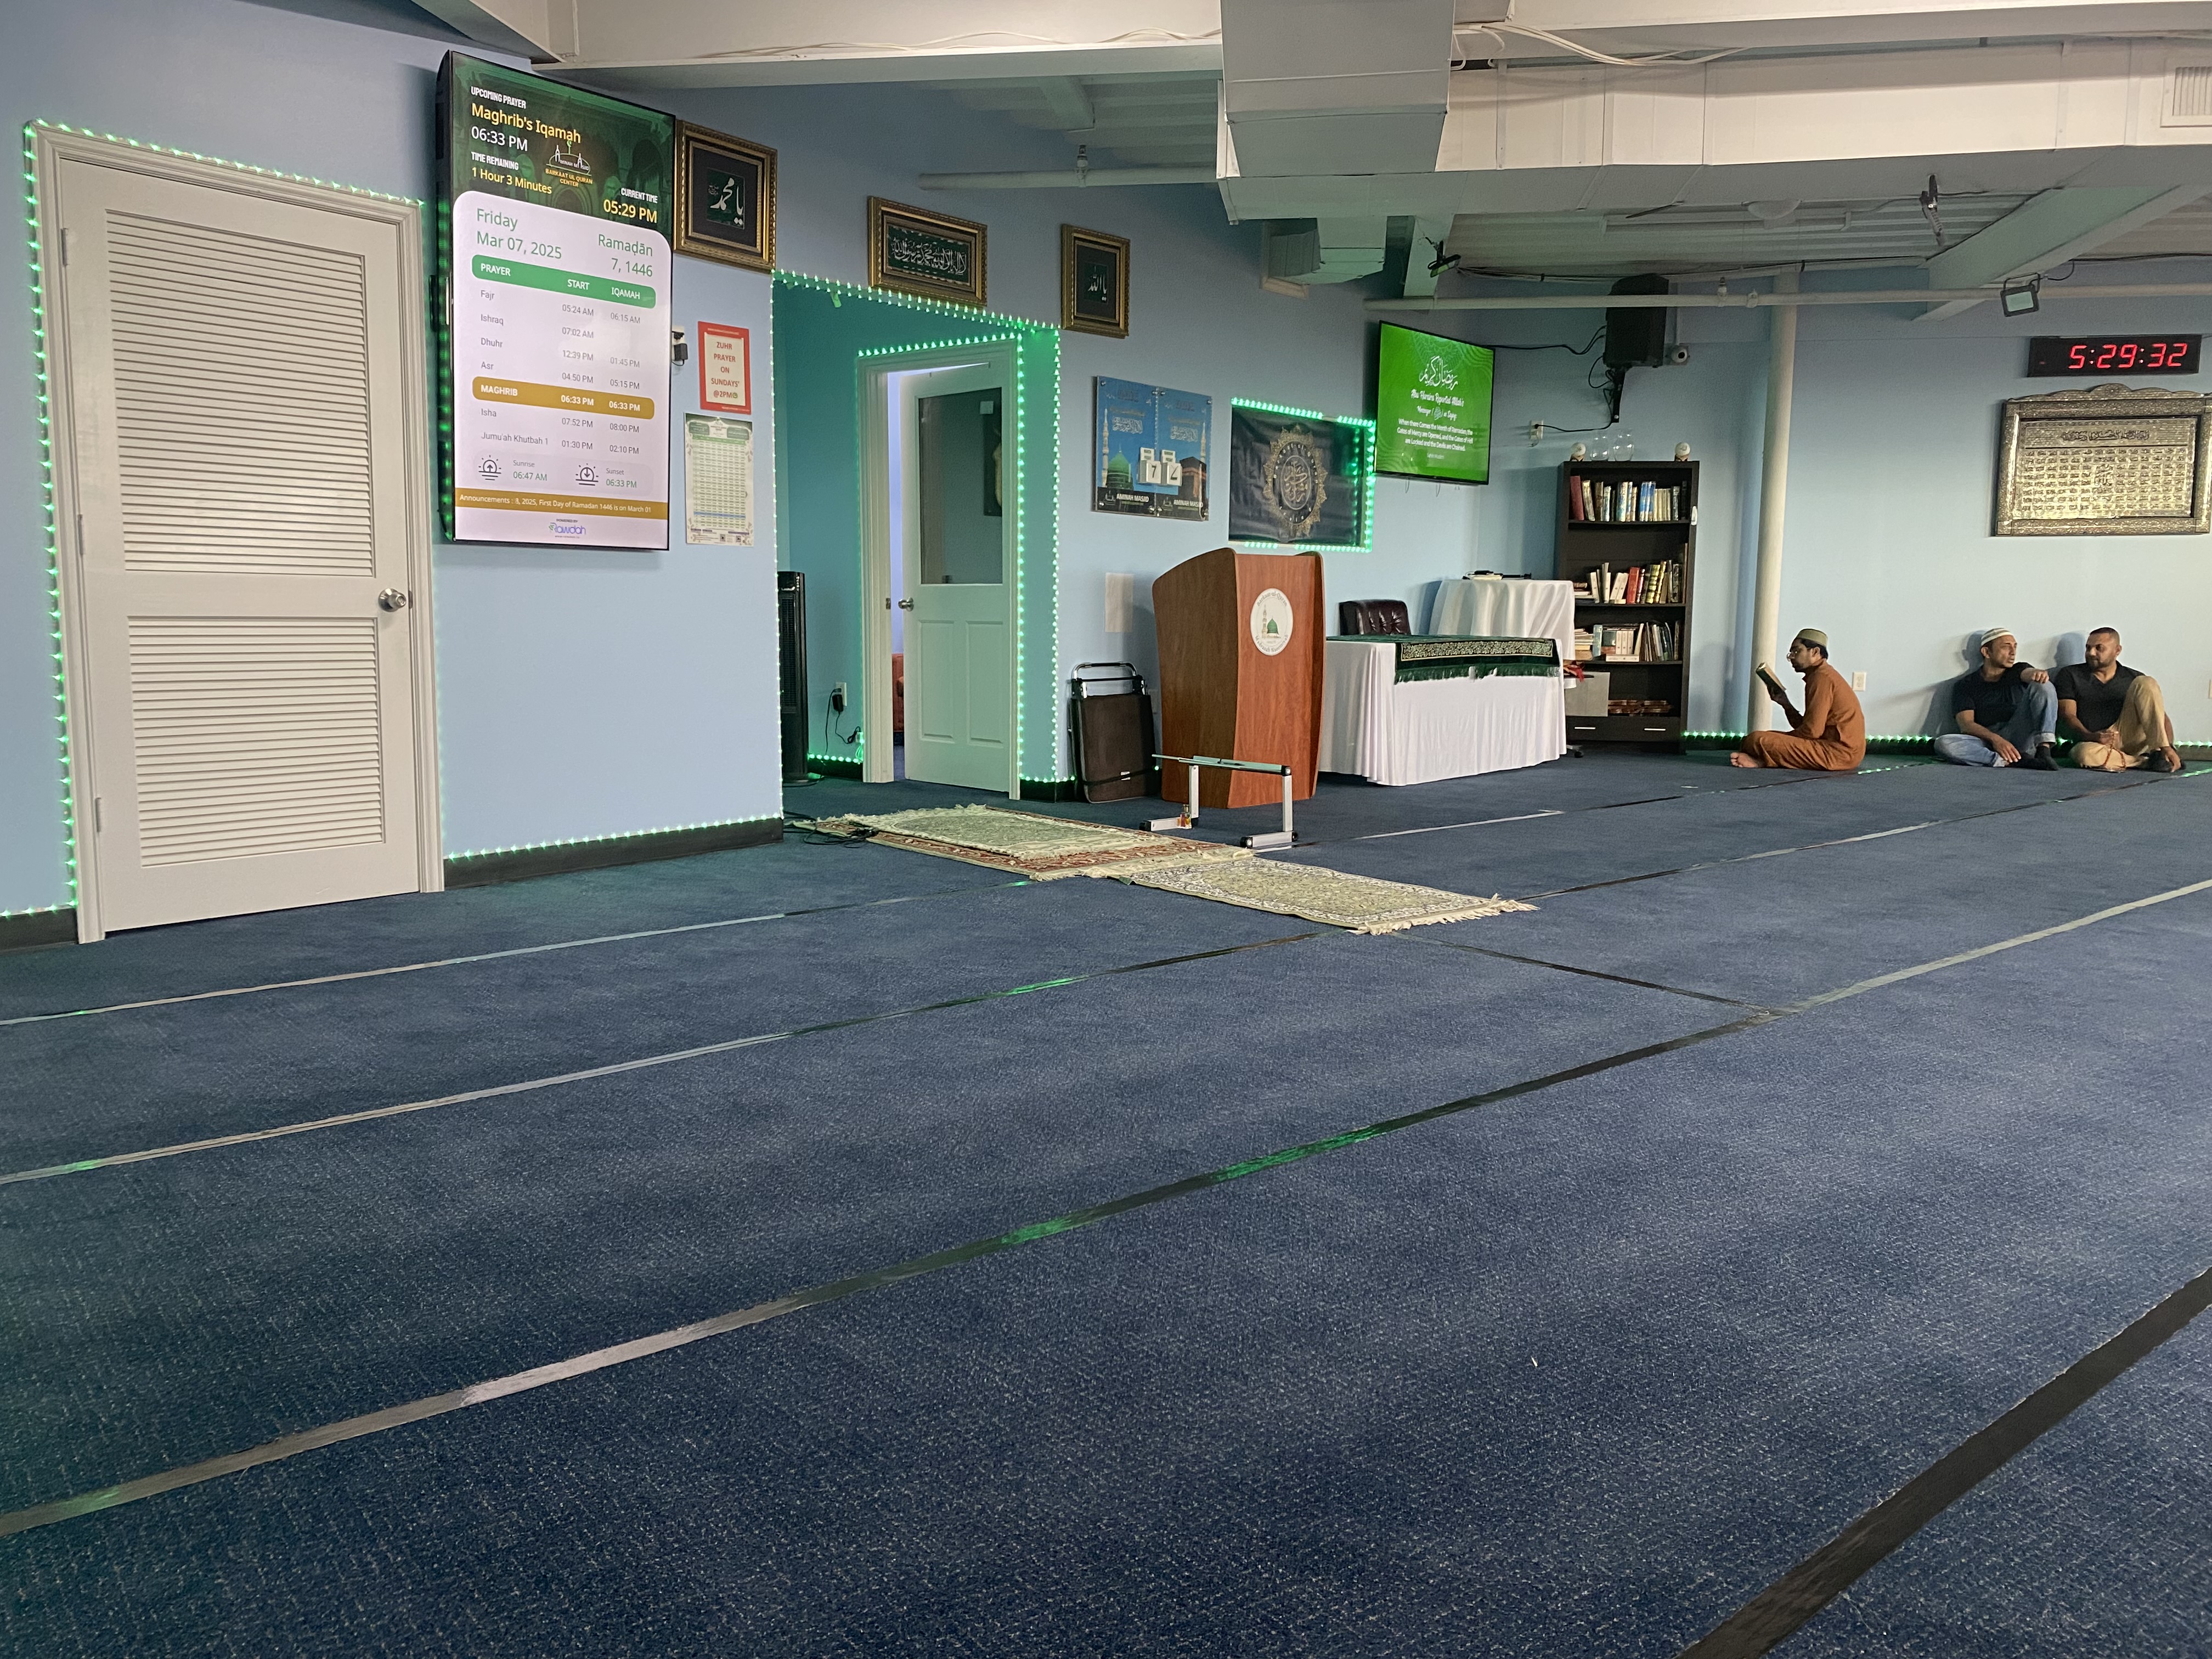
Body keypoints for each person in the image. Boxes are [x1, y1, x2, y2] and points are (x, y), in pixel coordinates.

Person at [1731, 628, 1866, 770]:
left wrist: (1784, 741)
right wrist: (1785, 704)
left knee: (1756, 740)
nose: (1792, 657)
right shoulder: (1820, 675)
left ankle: (1764, 760)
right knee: (1761, 739)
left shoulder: (1822, 678)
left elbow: (1812, 733)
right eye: (1791, 653)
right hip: (1837, 750)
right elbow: (1809, 729)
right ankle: (1763, 760)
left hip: (1838, 754)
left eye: (1796, 651)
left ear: (1815, 652)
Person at [2055, 628, 2183, 773]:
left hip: (2129, 736)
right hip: (2095, 742)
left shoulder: (2134, 678)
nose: (2091, 653)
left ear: (2117, 650)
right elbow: (2068, 715)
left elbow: (2160, 718)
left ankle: (2162, 752)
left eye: (2099, 648)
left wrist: (2169, 747)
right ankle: (2145, 762)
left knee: (2146, 682)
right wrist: (2091, 736)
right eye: (2088, 648)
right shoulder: (2070, 675)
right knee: (2083, 754)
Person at [1933, 627, 2057, 770]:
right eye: (2006, 647)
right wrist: (1996, 740)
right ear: (1986, 652)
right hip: (1988, 741)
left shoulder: (2017, 670)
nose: (2013, 652)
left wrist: (2037, 674)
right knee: (1944, 743)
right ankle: (2010, 761)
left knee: (2043, 684)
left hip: (2019, 736)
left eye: (2015, 647)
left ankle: (2044, 750)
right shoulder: (1966, 685)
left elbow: (2028, 673)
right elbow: (1967, 725)